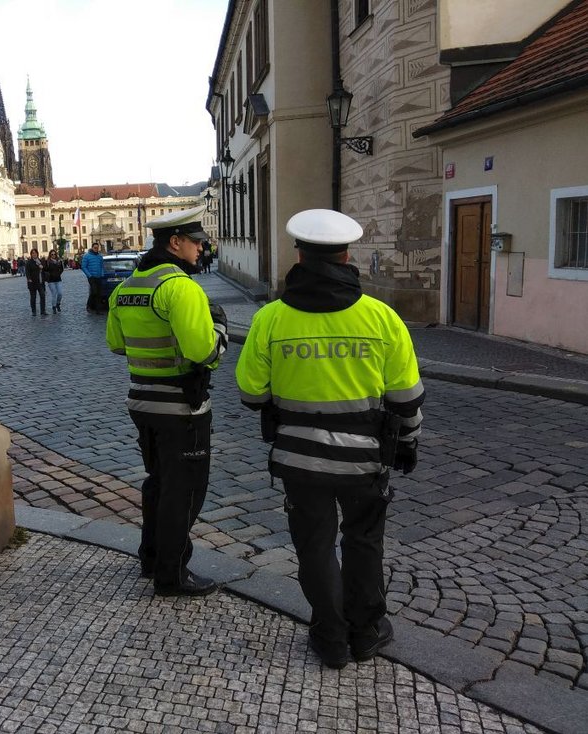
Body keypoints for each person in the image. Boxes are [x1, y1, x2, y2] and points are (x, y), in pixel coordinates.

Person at [235, 209, 424, 669]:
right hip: (365, 461)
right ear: (347, 254)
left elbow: (250, 393)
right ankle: (366, 633)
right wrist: (407, 444)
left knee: (315, 546)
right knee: (363, 542)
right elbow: (406, 398)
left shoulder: (271, 319)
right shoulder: (381, 318)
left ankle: (330, 637)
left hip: (300, 461)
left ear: (298, 254)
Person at [106, 205, 228, 596]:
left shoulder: (127, 288)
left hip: (142, 402)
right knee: (186, 490)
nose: (200, 250)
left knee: (158, 483)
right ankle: (172, 573)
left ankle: (152, 555)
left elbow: (115, 344)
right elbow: (201, 351)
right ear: (175, 243)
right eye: (196, 243)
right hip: (181, 407)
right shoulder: (180, 287)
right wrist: (220, 331)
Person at [80, 242, 105, 314]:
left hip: (99, 276)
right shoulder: (87, 256)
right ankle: (88, 305)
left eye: (97, 248)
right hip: (91, 277)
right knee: (94, 292)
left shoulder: (100, 256)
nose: (96, 249)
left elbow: (102, 266)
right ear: (92, 248)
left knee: (99, 294)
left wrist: (102, 273)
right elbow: (83, 267)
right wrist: (89, 275)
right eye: (95, 248)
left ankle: (98, 310)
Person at [25, 248, 47, 316]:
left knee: (42, 295)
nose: (34, 254)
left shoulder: (40, 261)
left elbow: (44, 270)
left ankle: (42, 311)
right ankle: (33, 311)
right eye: (33, 253)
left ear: (37, 253)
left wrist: (42, 268)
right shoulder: (29, 262)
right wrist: (29, 279)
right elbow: (27, 272)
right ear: (31, 254)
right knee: (33, 297)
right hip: (32, 282)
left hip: (40, 282)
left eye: (35, 253)